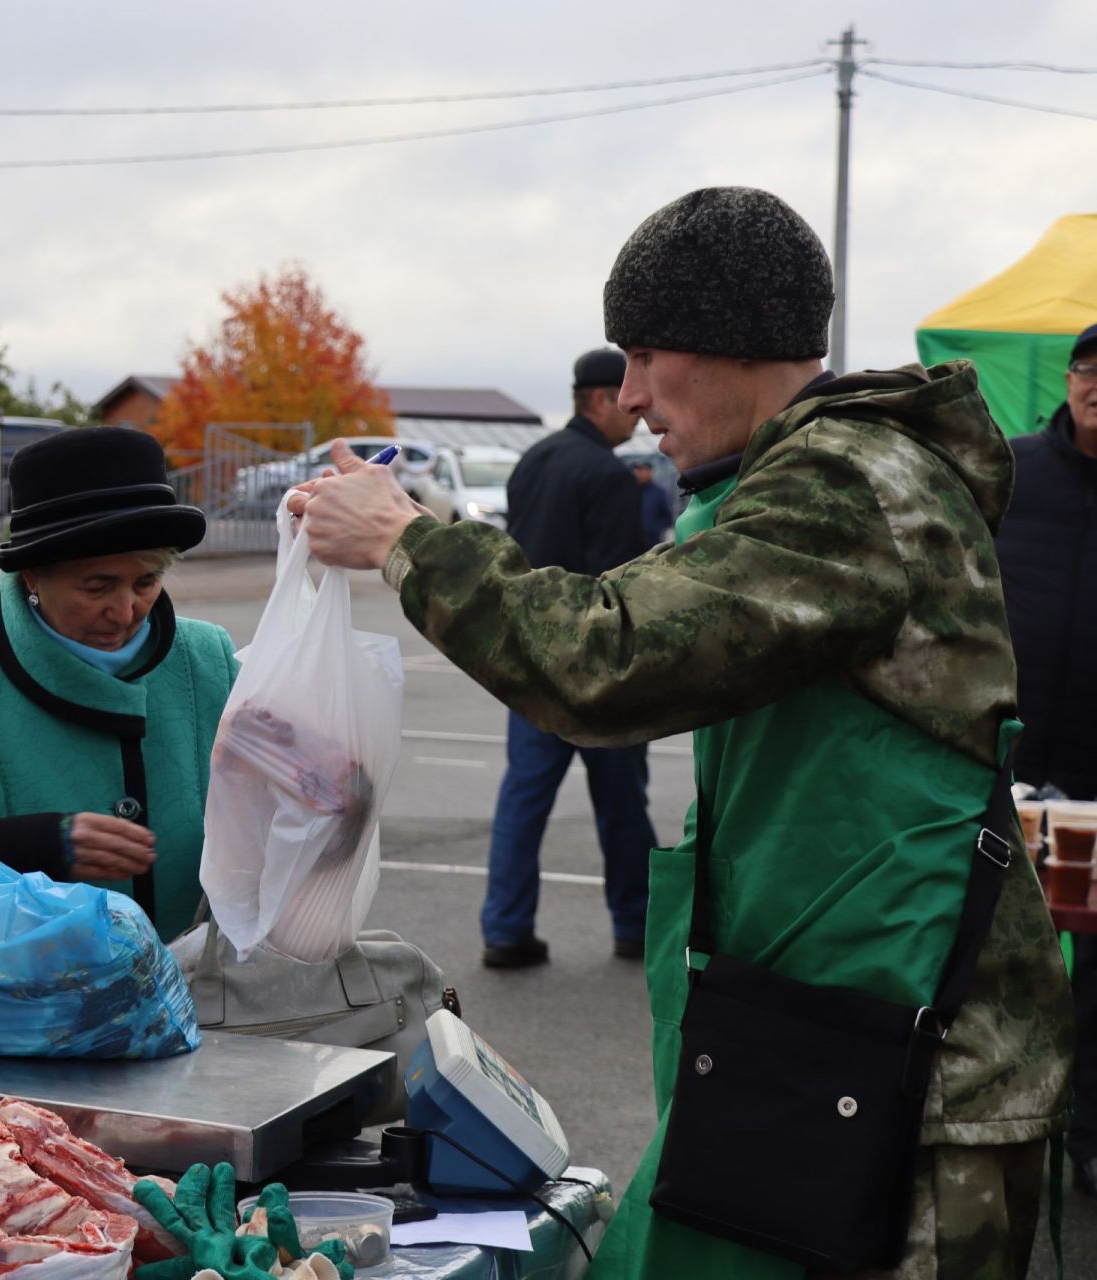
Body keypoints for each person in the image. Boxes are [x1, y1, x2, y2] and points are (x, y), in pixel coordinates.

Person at [290, 187, 1072, 1276]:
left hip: (917, 1067)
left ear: (736, 338)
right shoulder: (786, 483)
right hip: (829, 1037)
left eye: (649, 352)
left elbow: (604, 659)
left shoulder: (843, 484)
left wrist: (408, 539)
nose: (634, 393)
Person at [0, 426, 234, 941]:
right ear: (33, 575)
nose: (125, 611)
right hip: (18, 1002)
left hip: (201, 999)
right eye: (97, 586)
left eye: (146, 581)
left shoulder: (207, 657)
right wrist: (31, 845)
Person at [478, 348, 656, 968]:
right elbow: (619, 581)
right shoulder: (606, 475)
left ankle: (505, 929)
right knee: (622, 803)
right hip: (590, 670)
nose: (638, 413)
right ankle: (635, 924)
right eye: (627, 399)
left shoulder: (533, 462)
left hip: (528, 664)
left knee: (522, 801)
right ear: (600, 400)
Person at [996, 321, 1097, 1195]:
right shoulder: (1015, 466)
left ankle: (1091, 1135)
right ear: (1069, 379)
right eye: (1088, 367)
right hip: (1012, 755)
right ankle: (992, 1124)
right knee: (996, 944)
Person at [631, 457, 675, 542]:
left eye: (642, 470)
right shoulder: (631, 491)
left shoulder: (659, 492)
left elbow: (668, 516)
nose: (638, 473)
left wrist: (654, 528)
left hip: (652, 541)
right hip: (633, 541)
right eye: (637, 470)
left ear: (650, 471)